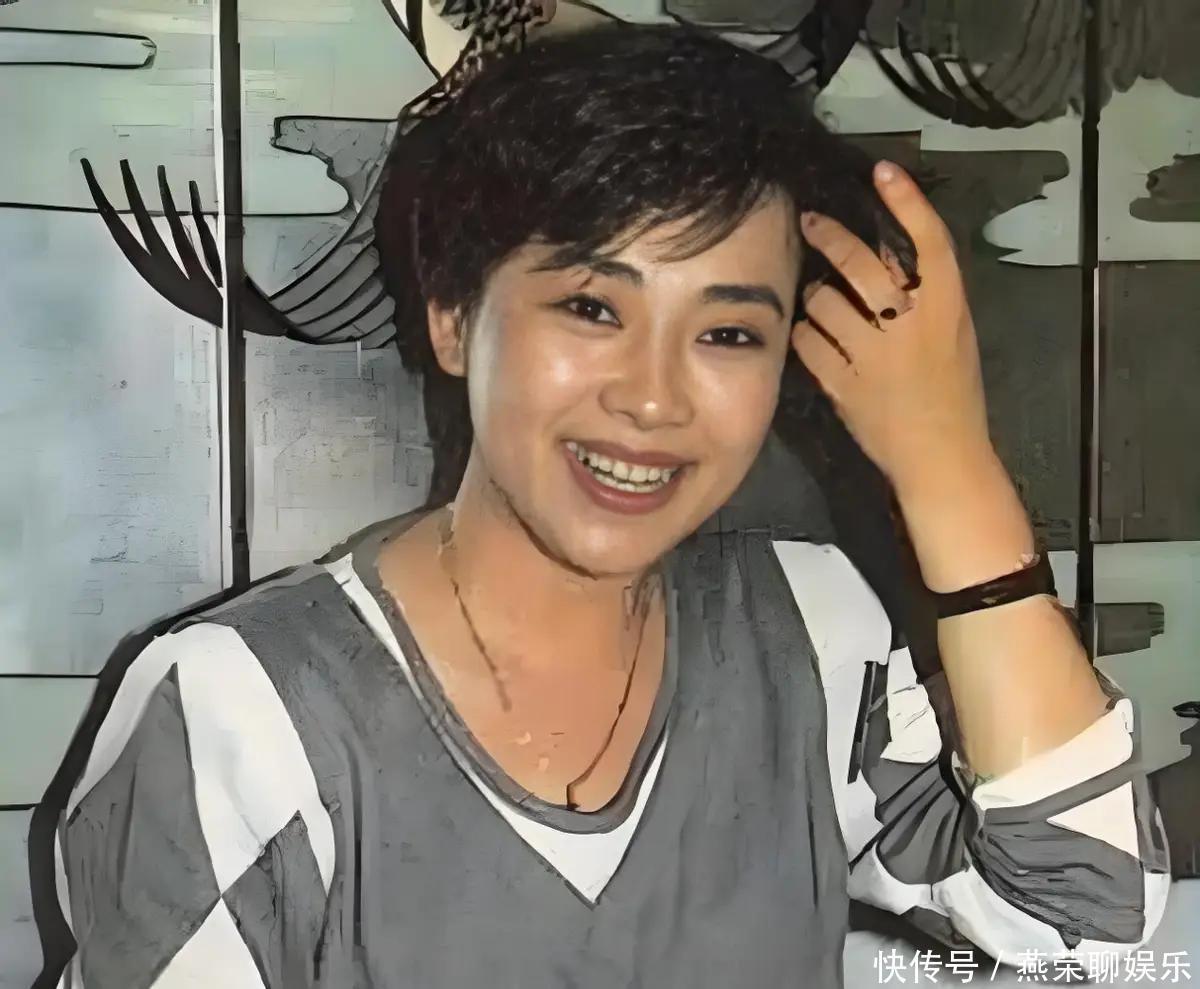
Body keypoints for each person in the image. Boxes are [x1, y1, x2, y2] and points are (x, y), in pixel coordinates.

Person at [43, 23, 1169, 989]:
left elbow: (1086, 927)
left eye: (728, 331)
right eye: (591, 307)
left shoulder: (813, 636)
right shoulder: (241, 710)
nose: (652, 396)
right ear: (453, 317)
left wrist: (947, 464)